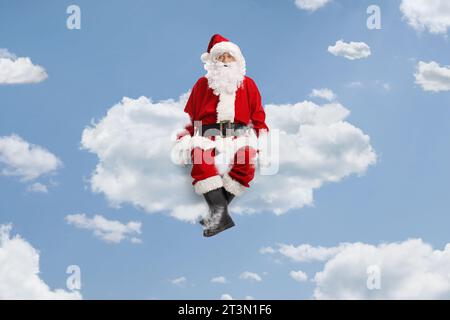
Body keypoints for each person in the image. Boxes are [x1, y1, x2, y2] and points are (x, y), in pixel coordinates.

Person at [172, 34, 269, 237]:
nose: (225, 61)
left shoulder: (248, 84)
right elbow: (190, 116)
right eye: (220, 57)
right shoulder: (201, 84)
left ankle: (217, 214)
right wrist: (184, 137)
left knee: (246, 160)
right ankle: (220, 216)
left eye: (229, 57)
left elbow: (258, 114)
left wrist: (263, 137)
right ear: (213, 61)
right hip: (208, 134)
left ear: (237, 60)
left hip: (239, 134)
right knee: (200, 158)